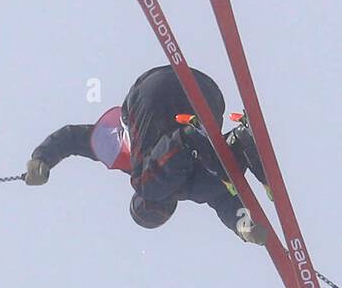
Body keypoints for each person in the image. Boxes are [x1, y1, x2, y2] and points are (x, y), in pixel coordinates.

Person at [25, 65, 270, 242]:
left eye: (150, 206)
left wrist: (41, 159)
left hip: (154, 97)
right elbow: (224, 200)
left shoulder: (120, 154)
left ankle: (187, 136)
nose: (159, 205)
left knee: (160, 182)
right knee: (214, 183)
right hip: (206, 94)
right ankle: (241, 142)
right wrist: (244, 227)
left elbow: (71, 138)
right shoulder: (192, 184)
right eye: (161, 212)